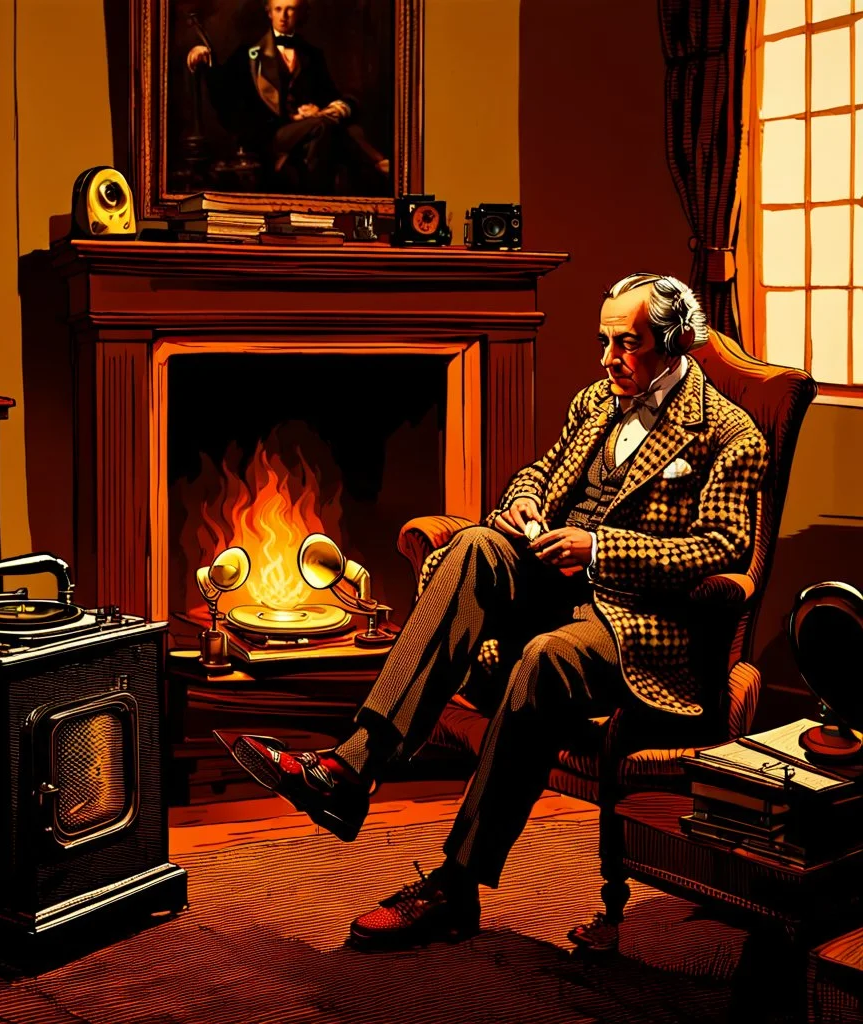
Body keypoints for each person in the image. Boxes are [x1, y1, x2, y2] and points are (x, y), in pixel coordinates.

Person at [216, 273, 769, 953]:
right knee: (476, 546)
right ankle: (349, 770)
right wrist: (524, 505)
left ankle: (454, 886)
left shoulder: (729, 433)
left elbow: (721, 548)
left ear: (678, 340)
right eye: (604, 341)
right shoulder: (597, 400)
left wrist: (599, 548)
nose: (607, 358)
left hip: (637, 624)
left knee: (544, 660)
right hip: (553, 579)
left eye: (626, 344)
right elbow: (539, 472)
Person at [187, 0, 390, 195]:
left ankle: (317, 200)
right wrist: (207, 56)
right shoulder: (250, 55)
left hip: (311, 129)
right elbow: (225, 91)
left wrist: (324, 109)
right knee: (322, 125)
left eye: (290, 9)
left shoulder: (312, 55)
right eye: (278, 9)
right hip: (270, 135)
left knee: (334, 127)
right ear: (269, 12)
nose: (283, 16)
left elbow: (330, 95)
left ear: (300, 14)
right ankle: (377, 162)